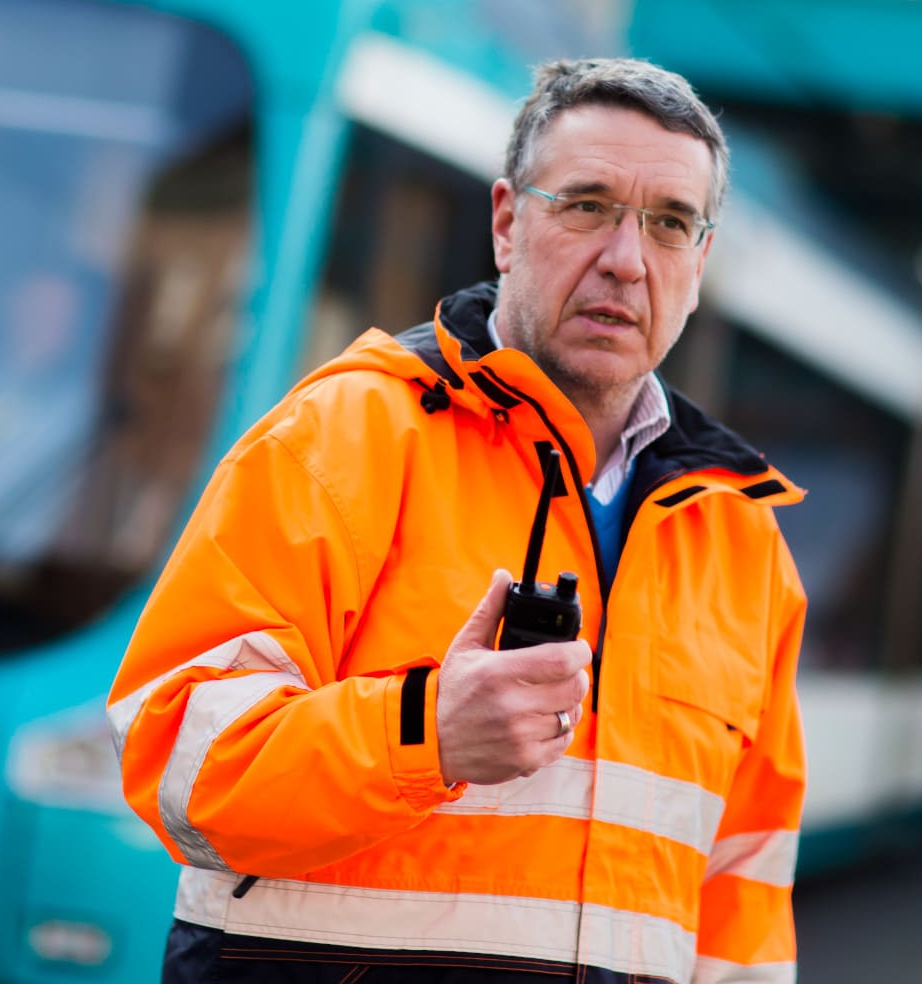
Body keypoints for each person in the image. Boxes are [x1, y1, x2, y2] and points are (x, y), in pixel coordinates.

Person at [108, 58, 807, 984]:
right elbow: (179, 758)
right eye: (587, 205)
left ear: (699, 260)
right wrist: (424, 733)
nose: (626, 260)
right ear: (508, 223)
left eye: (670, 223)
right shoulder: (345, 433)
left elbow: (743, 901)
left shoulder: (743, 544)